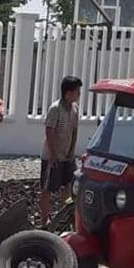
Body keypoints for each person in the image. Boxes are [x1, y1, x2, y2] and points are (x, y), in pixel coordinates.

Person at [40, 76, 82, 227]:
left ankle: (65, 216)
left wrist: (71, 151)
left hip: (67, 156)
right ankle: (44, 220)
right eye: (77, 91)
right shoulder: (55, 109)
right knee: (48, 188)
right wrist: (53, 154)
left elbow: (74, 130)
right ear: (68, 92)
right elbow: (49, 131)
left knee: (69, 185)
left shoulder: (75, 108)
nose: (79, 94)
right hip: (52, 157)